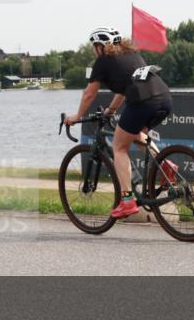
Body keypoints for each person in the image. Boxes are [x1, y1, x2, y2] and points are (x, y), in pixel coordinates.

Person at [63, 27, 174, 219]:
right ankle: (165, 165)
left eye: (94, 46)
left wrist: (78, 116)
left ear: (101, 46)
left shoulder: (103, 61)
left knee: (119, 147)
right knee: (138, 135)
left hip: (142, 102)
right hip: (164, 98)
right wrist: (111, 111)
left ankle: (127, 201)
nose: (94, 50)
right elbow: (124, 90)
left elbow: (90, 93)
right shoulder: (132, 54)